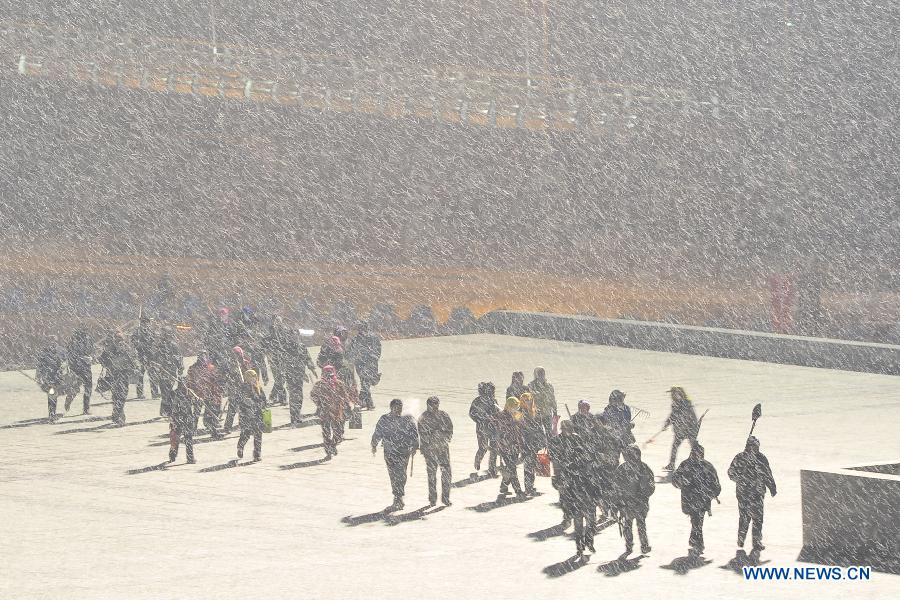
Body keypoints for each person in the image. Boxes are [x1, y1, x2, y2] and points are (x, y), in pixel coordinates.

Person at [728, 436, 777, 552]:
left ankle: (756, 542)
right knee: (744, 517)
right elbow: (730, 472)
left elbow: (767, 473)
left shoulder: (761, 458)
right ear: (748, 446)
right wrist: (741, 477)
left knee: (758, 519)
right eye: (753, 446)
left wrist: (772, 486)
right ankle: (741, 538)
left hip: (758, 493)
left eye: (756, 446)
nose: (755, 449)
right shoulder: (740, 457)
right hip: (743, 493)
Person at [672, 442, 721, 556]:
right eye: (695, 453)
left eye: (699, 453)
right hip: (690, 499)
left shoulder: (707, 466)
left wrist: (714, 492)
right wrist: (682, 481)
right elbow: (675, 479)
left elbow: (715, 482)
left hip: (702, 499)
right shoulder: (685, 465)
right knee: (696, 521)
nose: (697, 456)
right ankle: (697, 542)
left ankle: (696, 541)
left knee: (697, 521)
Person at [555, 420, 596, 558]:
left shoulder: (588, 466)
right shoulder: (571, 468)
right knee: (580, 527)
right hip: (580, 501)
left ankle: (588, 542)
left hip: (586, 501)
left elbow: (595, 483)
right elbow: (568, 489)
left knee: (589, 525)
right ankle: (580, 547)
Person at [371, 399, 420, 511]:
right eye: (396, 408)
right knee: (393, 474)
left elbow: (414, 433)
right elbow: (378, 432)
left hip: (403, 451)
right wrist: (374, 444)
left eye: (400, 408)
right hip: (389, 451)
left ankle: (398, 497)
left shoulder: (407, 419)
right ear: (391, 408)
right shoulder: (385, 419)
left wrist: (415, 446)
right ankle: (397, 496)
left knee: (401, 474)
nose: (398, 410)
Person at [614, 444, 655, 555]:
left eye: (635, 454)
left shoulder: (644, 468)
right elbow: (616, 487)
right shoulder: (622, 469)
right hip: (627, 504)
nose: (633, 456)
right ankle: (629, 545)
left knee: (641, 525)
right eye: (630, 454)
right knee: (627, 525)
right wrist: (619, 502)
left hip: (640, 503)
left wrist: (644, 494)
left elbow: (651, 485)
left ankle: (644, 545)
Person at [418, 396, 453, 507]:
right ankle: (432, 498)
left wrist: (445, 437)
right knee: (432, 475)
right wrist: (427, 442)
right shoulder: (423, 417)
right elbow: (422, 434)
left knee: (446, 473)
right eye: (433, 404)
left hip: (443, 449)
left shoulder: (443, 415)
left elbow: (450, 429)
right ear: (428, 405)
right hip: (430, 450)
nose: (435, 406)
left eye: (436, 404)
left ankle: (445, 498)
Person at [98, 332, 138, 426]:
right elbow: (101, 359)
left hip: (123, 375)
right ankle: (119, 415)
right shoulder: (110, 349)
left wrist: (134, 368)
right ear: (114, 339)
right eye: (117, 339)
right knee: (117, 396)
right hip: (114, 375)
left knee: (122, 396)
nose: (119, 341)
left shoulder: (126, 349)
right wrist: (107, 363)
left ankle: (117, 414)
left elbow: (132, 360)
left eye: (120, 339)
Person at [311, 365, 351, 458]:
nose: (329, 377)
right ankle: (328, 449)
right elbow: (313, 395)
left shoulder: (339, 384)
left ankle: (332, 445)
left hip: (337, 412)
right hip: (324, 412)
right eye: (327, 374)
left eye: (331, 374)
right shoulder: (319, 384)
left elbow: (345, 396)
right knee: (326, 433)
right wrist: (320, 403)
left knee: (338, 433)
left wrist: (347, 406)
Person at [494, 397, 526, 500]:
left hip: (515, 446)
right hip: (505, 446)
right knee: (512, 468)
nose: (516, 408)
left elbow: (521, 430)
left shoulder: (518, 415)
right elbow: (497, 430)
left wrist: (521, 445)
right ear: (509, 406)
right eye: (514, 406)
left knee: (510, 467)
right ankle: (518, 491)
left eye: (517, 406)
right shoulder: (500, 416)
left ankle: (504, 485)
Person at [186, 352, 223, 438]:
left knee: (209, 414)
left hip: (209, 394)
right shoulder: (193, 368)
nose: (203, 358)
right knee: (196, 413)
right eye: (201, 356)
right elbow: (190, 381)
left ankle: (213, 431)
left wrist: (216, 391)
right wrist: (191, 391)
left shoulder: (211, 368)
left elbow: (215, 380)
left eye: (204, 356)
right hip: (198, 394)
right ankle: (193, 430)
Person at [285, 330, 317, 425]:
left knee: (299, 396)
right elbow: (288, 363)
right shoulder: (287, 348)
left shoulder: (302, 346)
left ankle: (297, 414)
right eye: (292, 336)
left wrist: (312, 369)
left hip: (299, 375)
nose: (294, 337)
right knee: (293, 397)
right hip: (291, 376)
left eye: (296, 336)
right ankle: (293, 417)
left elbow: (307, 358)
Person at [663, 386, 699, 471]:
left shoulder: (685, 404)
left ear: (678, 394)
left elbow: (691, 416)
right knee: (676, 446)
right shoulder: (677, 404)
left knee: (693, 447)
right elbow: (673, 416)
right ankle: (672, 464)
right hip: (681, 430)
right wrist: (667, 423)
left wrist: (692, 426)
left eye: (673, 393)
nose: (671, 395)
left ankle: (698, 463)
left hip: (687, 430)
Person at [347, 321, 382, 410]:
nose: (360, 330)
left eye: (360, 327)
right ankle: (367, 402)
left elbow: (377, 350)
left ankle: (364, 401)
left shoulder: (371, 337)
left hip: (367, 363)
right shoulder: (357, 338)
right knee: (365, 382)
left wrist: (371, 357)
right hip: (363, 363)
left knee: (365, 382)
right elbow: (352, 350)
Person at [518, 392, 546, 496]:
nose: (527, 402)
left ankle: (530, 486)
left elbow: (540, 427)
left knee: (533, 465)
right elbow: (518, 428)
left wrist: (543, 441)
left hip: (535, 442)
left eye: (528, 400)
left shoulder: (537, 412)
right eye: (525, 400)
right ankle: (528, 487)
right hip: (525, 442)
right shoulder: (519, 413)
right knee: (528, 465)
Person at [151, 326, 183, 417]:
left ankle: (166, 410)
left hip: (171, 372)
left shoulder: (174, 346)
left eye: (167, 334)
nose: (165, 336)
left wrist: (180, 368)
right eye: (164, 334)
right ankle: (165, 410)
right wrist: (155, 365)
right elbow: (154, 358)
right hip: (162, 373)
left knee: (168, 391)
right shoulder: (159, 346)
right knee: (165, 392)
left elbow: (179, 358)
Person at [469, 382, 499, 477]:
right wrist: (482, 419)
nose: (492, 393)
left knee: (494, 448)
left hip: (493, 427)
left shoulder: (493, 401)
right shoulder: (477, 401)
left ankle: (492, 468)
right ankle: (477, 461)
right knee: (483, 448)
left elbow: (498, 412)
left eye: (492, 391)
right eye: (490, 391)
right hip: (482, 427)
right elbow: (472, 414)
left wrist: (496, 419)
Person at [35, 336, 69, 421]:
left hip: (59, 377)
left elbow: (66, 362)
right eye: (49, 341)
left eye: (53, 341)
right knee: (51, 394)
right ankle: (52, 413)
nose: (51, 343)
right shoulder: (44, 353)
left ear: (56, 341)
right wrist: (38, 376)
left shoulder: (61, 351)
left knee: (55, 394)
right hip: (49, 378)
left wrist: (63, 370)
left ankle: (54, 412)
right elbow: (40, 365)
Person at [236, 369, 265, 461]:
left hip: (257, 414)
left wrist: (261, 404)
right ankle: (240, 447)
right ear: (247, 378)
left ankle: (257, 453)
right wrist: (247, 403)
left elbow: (263, 399)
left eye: (255, 376)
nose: (254, 378)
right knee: (246, 433)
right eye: (251, 377)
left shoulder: (258, 387)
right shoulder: (243, 387)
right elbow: (239, 401)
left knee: (258, 434)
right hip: (246, 415)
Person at [66, 327, 94, 414]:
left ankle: (86, 408)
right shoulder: (73, 342)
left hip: (86, 368)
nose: (85, 335)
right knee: (75, 388)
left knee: (88, 388)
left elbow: (92, 351)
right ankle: (68, 400)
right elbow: (70, 355)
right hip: (76, 368)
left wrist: (90, 358)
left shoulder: (89, 340)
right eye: (83, 333)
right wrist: (81, 358)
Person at [168, 378, 196, 464]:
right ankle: (172, 455)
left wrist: (197, 399)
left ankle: (190, 458)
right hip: (177, 419)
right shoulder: (174, 393)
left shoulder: (190, 392)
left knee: (188, 438)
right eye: (183, 384)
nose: (184, 386)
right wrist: (172, 417)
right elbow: (169, 406)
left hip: (187, 418)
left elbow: (195, 402)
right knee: (175, 438)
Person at [131, 315, 158, 400]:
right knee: (140, 376)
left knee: (153, 375)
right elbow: (133, 341)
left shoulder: (151, 331)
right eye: (144, 323)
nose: (146, 324)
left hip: (150, 357)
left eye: (147, 323)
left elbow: (154, 342)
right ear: (142, 323)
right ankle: (139, 394)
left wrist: (152, 350)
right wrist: (140, 345)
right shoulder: (137, 332)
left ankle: (155, 393)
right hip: (141, 356)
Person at [527, 367, 557, 436]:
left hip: (547, 414)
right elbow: (529, 401)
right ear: (535, 374)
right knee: (537, 434)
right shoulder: (530, 386)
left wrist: (555, 412)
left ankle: (548, 445)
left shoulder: (549, 386)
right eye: (539, 373)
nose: (541, 375)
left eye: (542, 373)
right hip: (536, 415)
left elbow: (553, 400)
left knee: (548, 433)